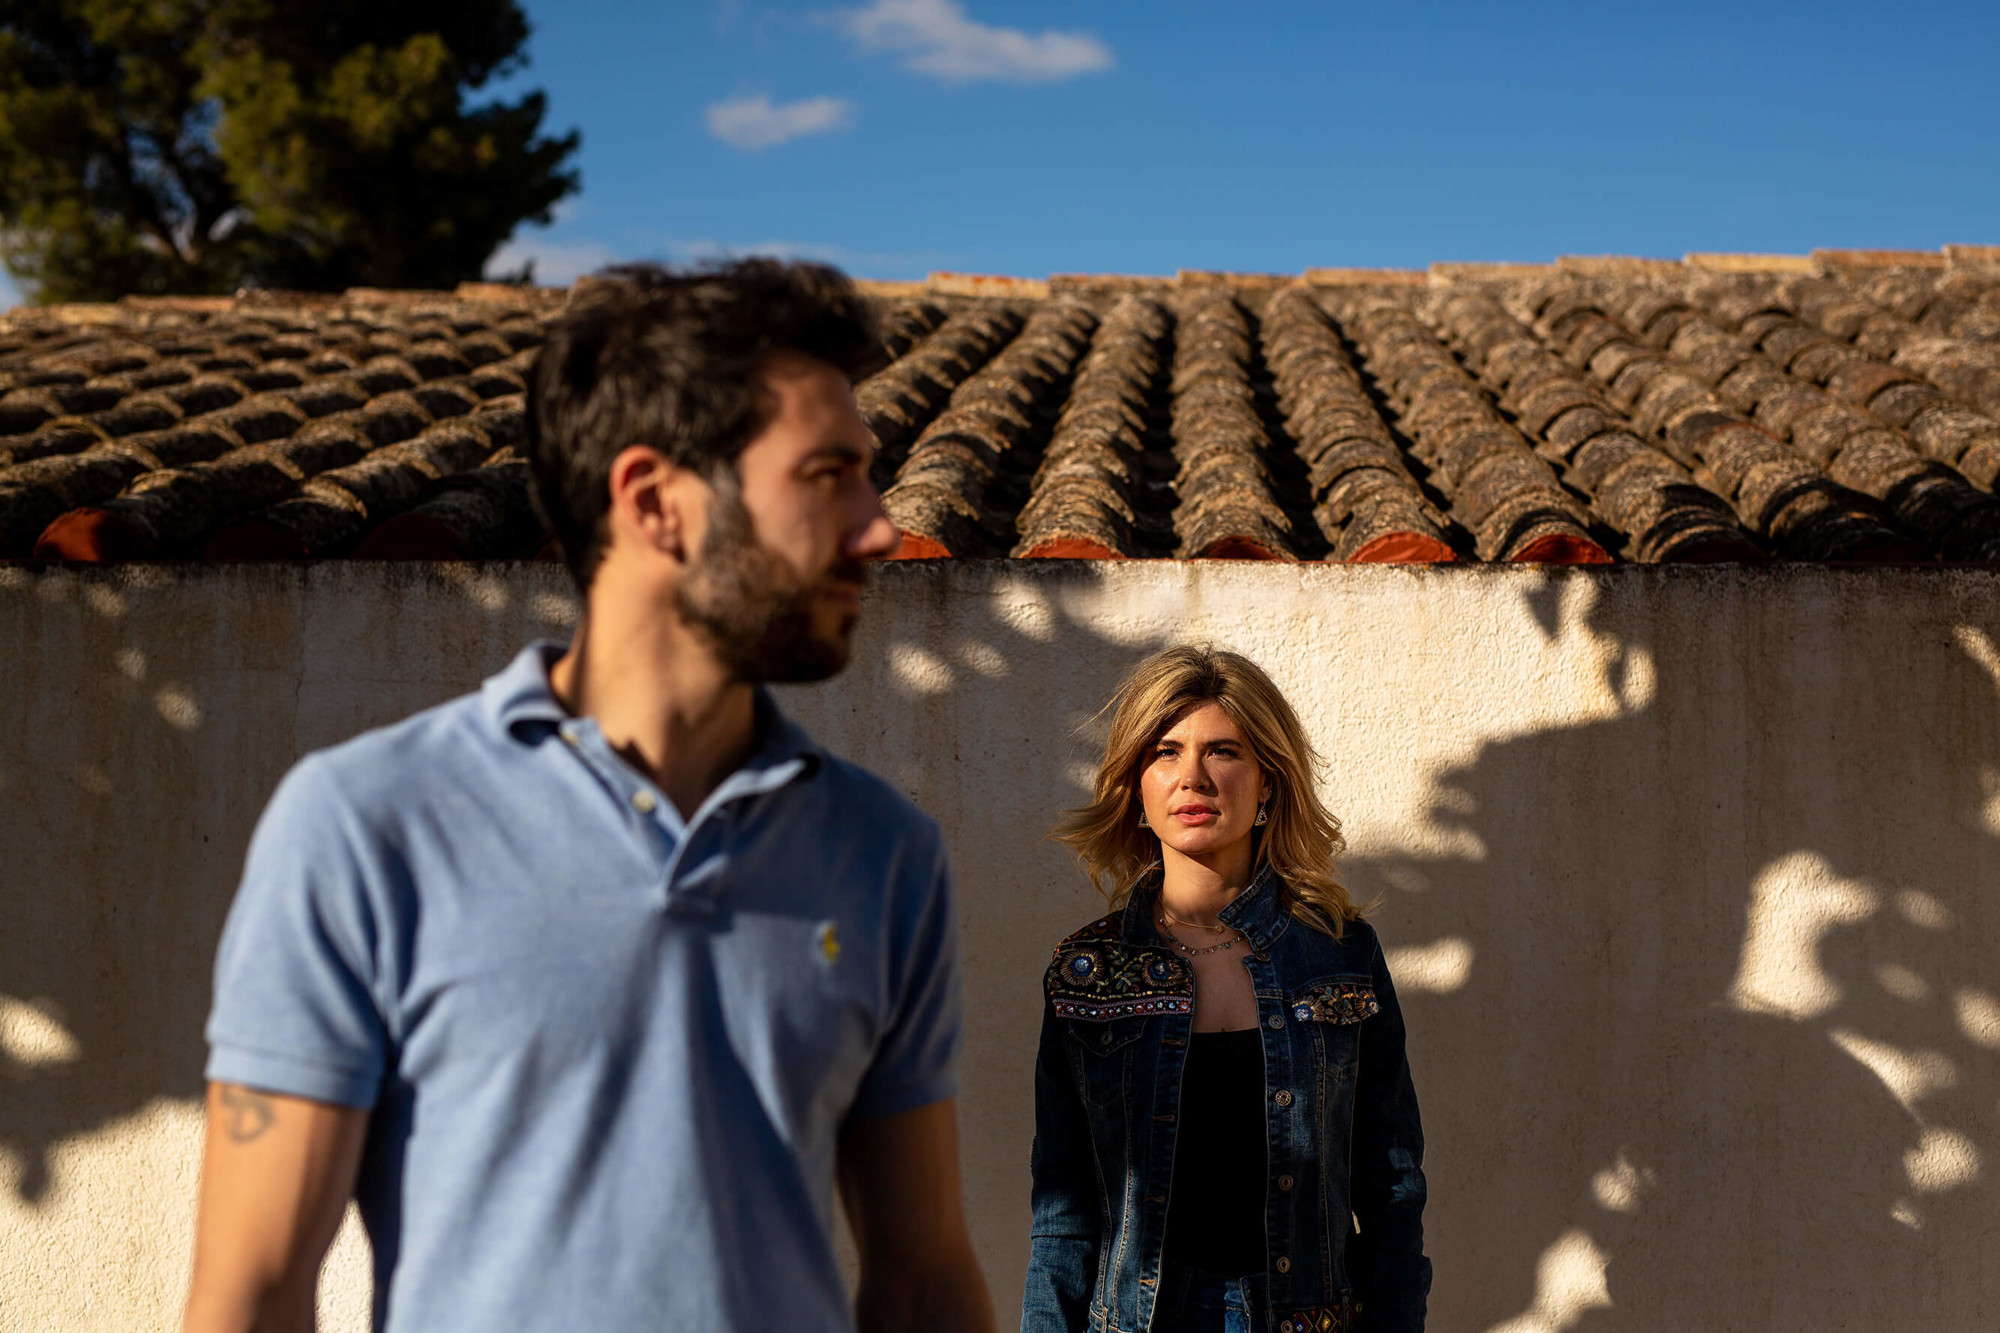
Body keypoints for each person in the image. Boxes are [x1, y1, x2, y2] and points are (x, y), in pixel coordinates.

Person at [183, 260, 996, 1333]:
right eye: (826, 475)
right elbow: (253, 1295)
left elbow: (923, 1280)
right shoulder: (366, 826)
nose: (879, 527)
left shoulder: (883, 850)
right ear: (655, 503)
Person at [1021, 646, 1429, 1333]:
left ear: (1268, 782)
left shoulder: (1337, 952)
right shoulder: (1088, 972)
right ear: (1137, 789)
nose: (1193, 777)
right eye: (1165, 751)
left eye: (1223, 751)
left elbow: (1390, 1184)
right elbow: (1063, 1219)